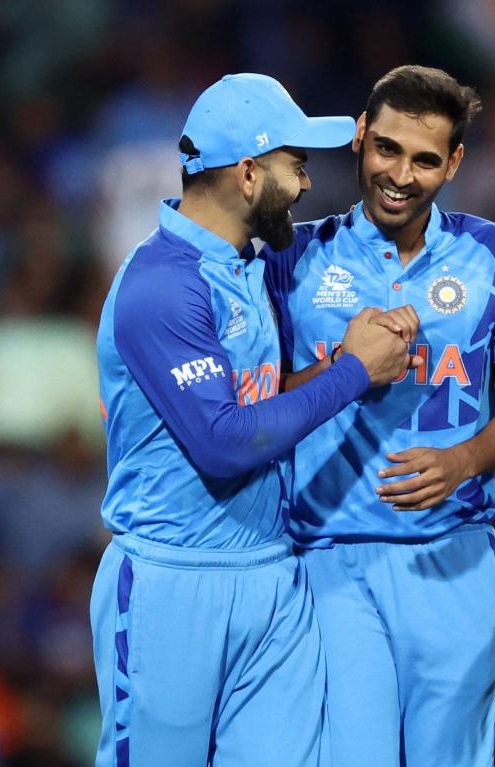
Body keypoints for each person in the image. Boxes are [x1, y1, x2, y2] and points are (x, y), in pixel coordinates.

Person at [92, 73, 420, 767]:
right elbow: (222, 442)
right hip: (171, 583)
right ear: (247, 174)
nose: (304, 185)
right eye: (294, 165)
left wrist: (350, 362)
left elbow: (254, 400)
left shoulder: (246, 266)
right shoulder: (160, 286)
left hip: (270, 573)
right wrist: (352, 372)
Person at [262, 65, 495, 766]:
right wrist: (349, 367)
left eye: (425, 159)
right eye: (387, 149)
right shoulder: (293, 256)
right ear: (360, 139)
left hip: (454, 559)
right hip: (330, 556)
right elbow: (257, 400)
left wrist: (464, 460)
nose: (401, 174)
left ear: (454, 163)